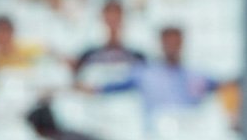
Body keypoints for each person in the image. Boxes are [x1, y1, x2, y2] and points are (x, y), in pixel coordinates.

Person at [84, 26, 220, 121]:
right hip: (157, 134)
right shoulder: (145, 73)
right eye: (168, 42)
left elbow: (222, 86)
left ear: (182, 43)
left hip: (190, 130)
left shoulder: (197, 75)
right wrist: (89, 89)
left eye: (175, 42)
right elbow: (110, 87)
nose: (172, 47)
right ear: (161, 43)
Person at [73, 0, 146, 82]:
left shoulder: (137, 56)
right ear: (102, 17)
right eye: (109, 12)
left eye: (117, 13)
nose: (113, 17)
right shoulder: (89, 55)